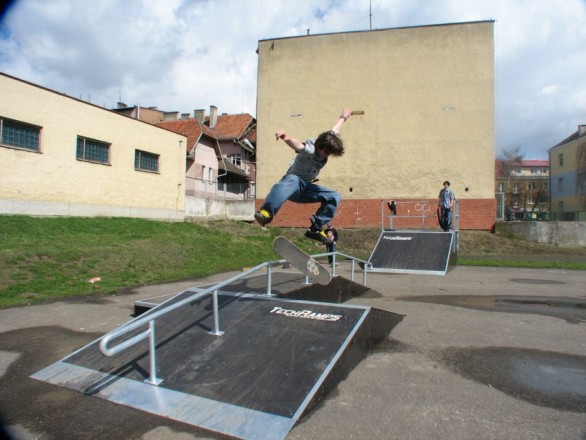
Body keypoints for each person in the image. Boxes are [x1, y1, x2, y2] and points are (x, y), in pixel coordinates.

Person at [254, 108, 352, 244]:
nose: (326, 154)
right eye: (325, 151)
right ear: (319, 146)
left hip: (305, 189)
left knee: (334, 196)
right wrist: (285, 137)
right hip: (290, 186)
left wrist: (343, 117)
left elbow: (334, 131)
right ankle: (266, 213)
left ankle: (315, 229)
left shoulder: (327, 141)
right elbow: (298, 145)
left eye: (329, 153)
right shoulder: (310, 149)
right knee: (294, 179)